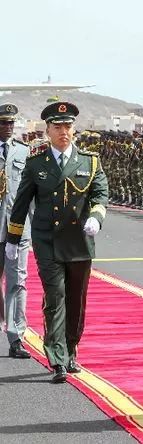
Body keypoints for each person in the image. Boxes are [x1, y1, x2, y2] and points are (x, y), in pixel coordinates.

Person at [6, 102, 108, 382]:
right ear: (47, 130)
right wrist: (13, 239)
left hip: (79, 241)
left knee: (76, 299)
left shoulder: (90, 161)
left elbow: (100, 194)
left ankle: (71, 349)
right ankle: (57, 357)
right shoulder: (36, 163)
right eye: (58, 126)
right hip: (47, 240)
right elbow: (21, 203)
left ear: (74, 130)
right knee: (55, 296)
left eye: (68, 126)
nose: (64, 131)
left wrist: (96, 217)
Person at [0, 104, 33, 359]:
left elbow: (32, 194)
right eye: (3, 122)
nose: (8, 127)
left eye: (11, 123)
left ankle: (16, 337)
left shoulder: (24, 151)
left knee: (17, 283)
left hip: (17, 228)